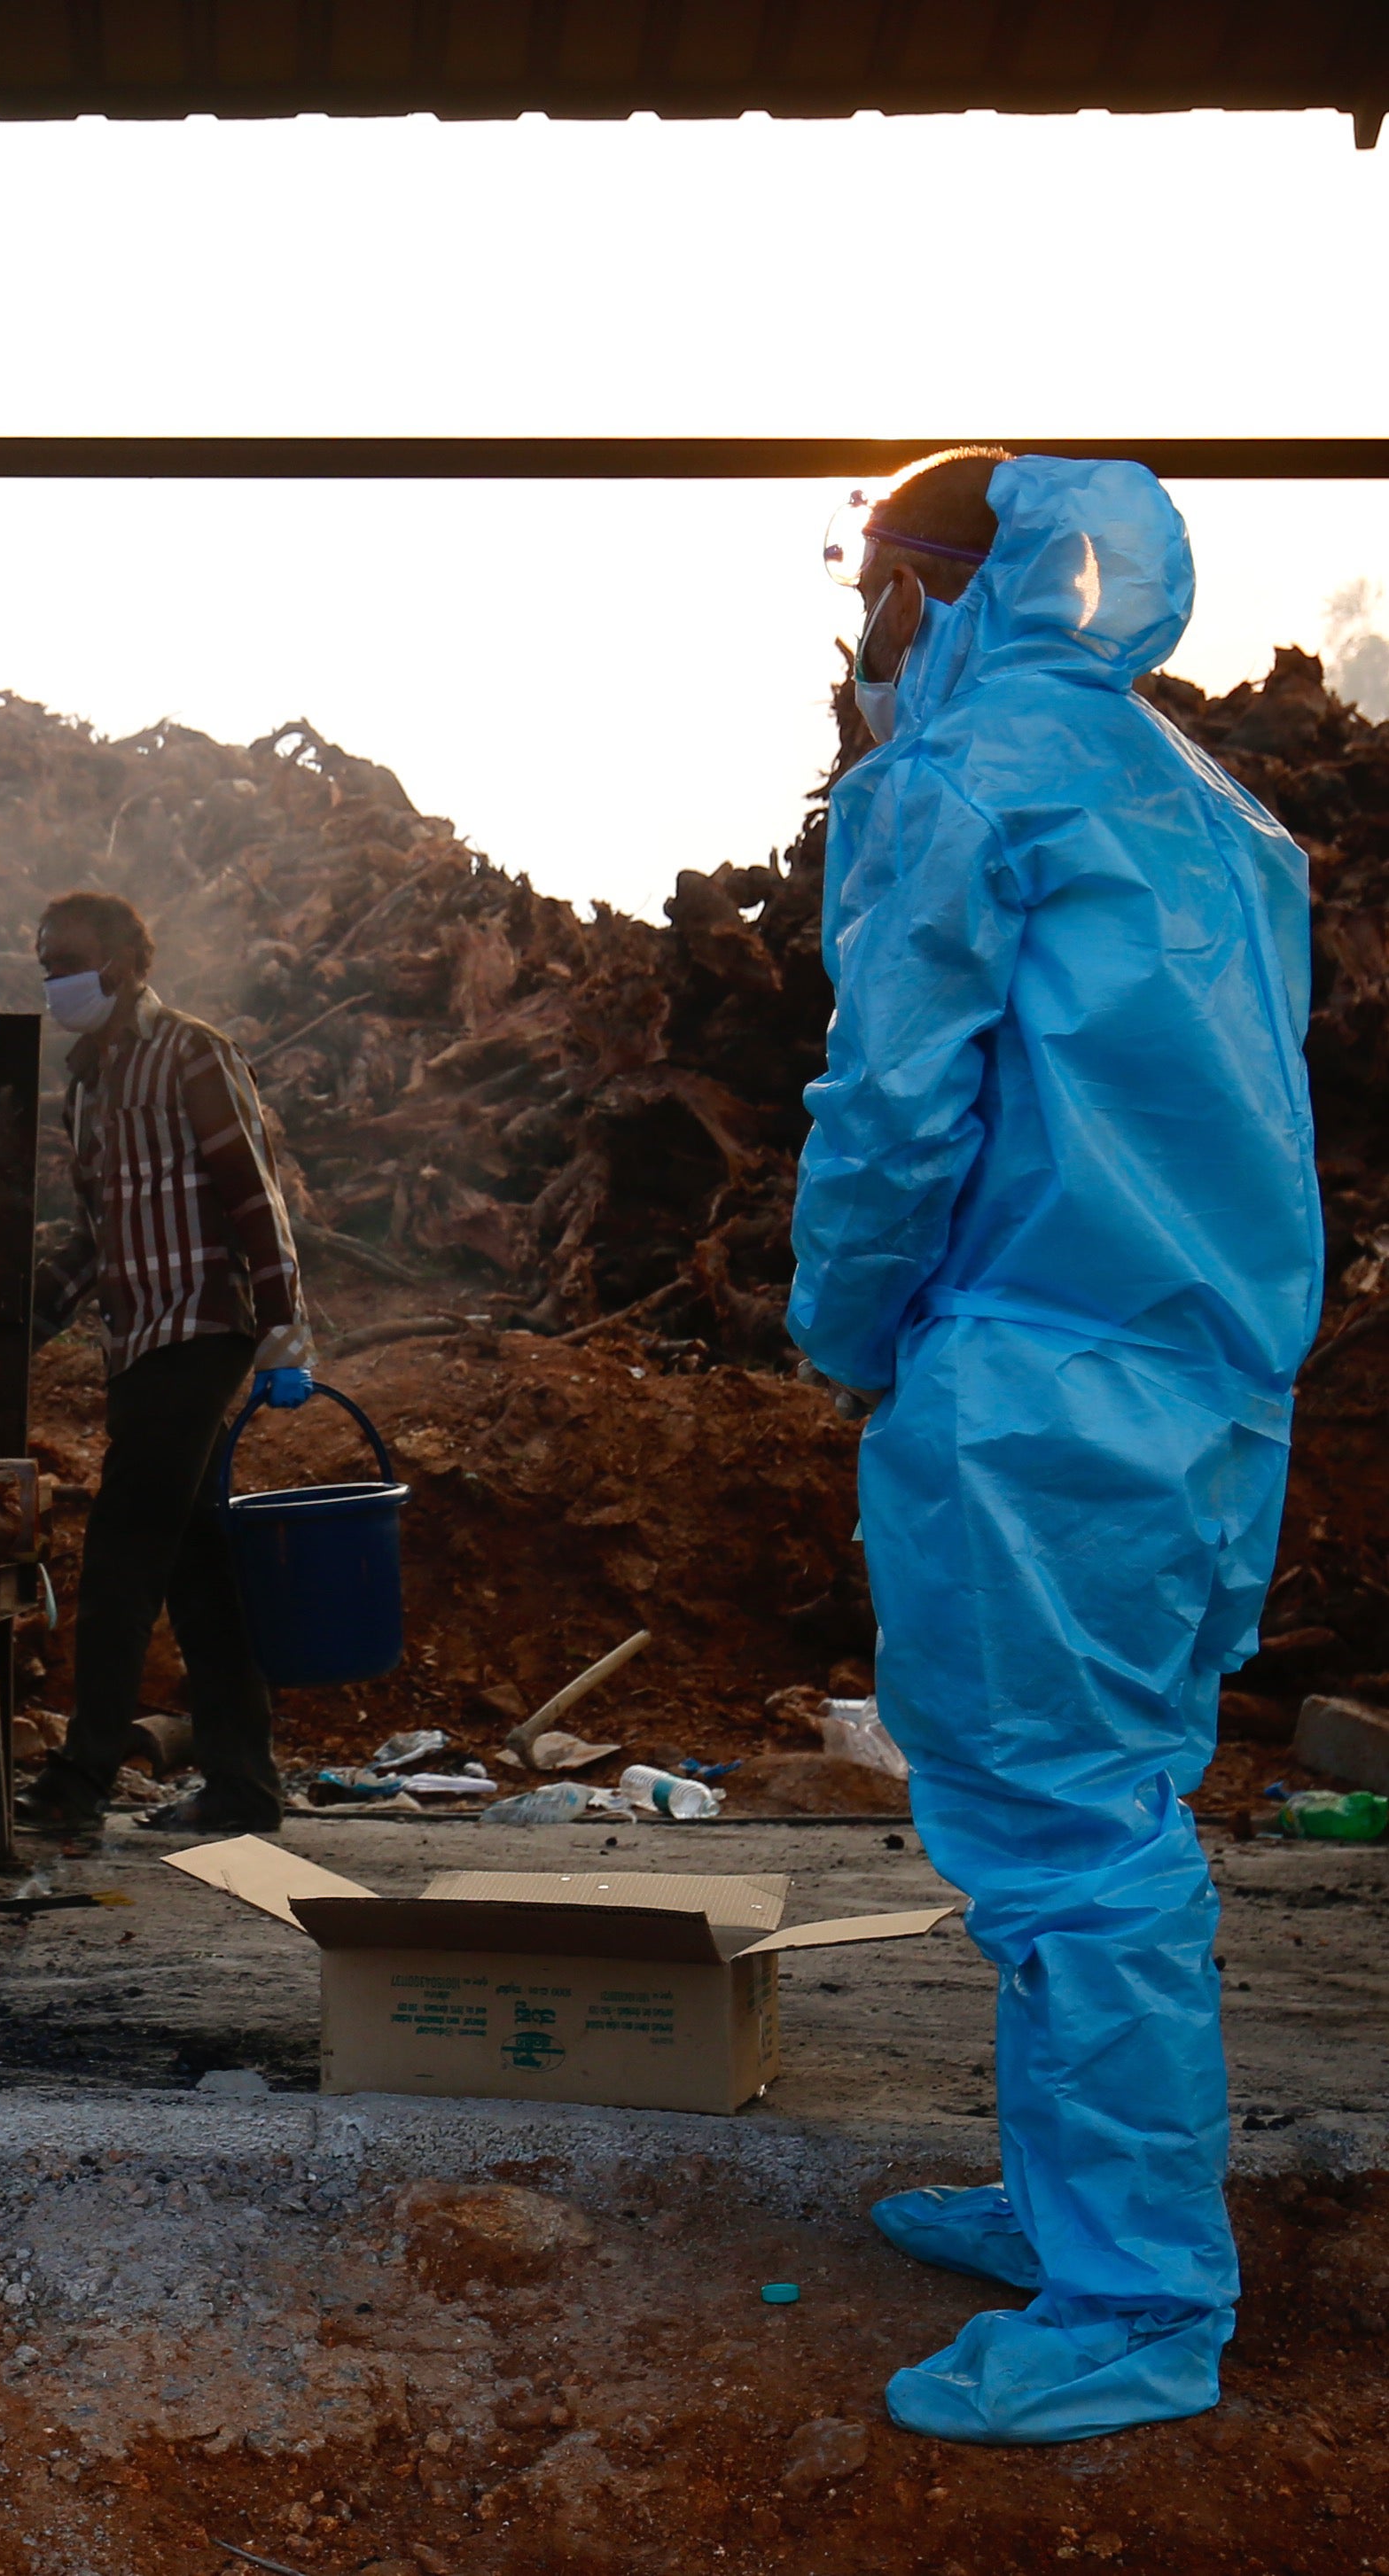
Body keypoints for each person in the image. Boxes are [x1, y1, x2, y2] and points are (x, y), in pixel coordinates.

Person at [792, 451, 1321, 2445]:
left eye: (865, 591)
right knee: (1106, 1800)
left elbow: (896, 1101)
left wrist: (842, 1320)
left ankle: (1127, 2291)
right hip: (1204, 1392)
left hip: (1031, 1390)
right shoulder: (1217, 805)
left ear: (937, 591)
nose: (856, 638)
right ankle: (1067, 2200)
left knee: (1063, 1839)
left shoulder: (953, 781)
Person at [15, 891, 314, 1837]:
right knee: (196, 1567)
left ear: (126, 963)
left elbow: (251, 1194)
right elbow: (96, 1235)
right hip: (136, 1340)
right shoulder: (86, 1084)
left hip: (199, 1329)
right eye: (45, 965)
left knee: (119, 1556)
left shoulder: (189, 1051)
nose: (57, 979)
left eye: (70, 961)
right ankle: (241, 1785)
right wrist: (22, 1316)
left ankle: (82, 1777)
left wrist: (283, 1327)